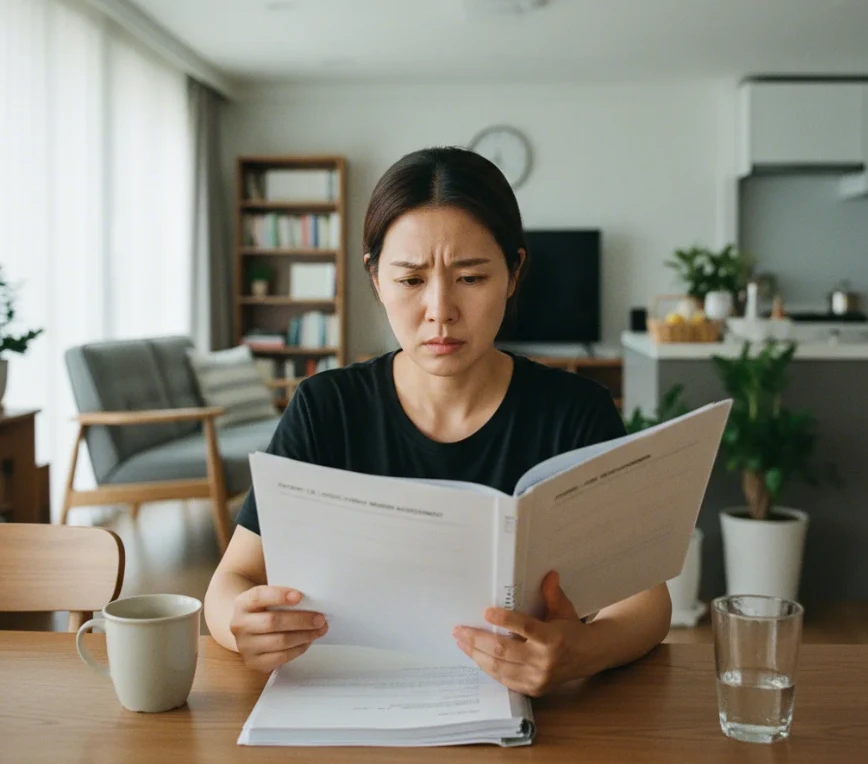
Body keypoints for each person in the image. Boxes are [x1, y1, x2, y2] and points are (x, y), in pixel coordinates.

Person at [204, 146, 671, 697]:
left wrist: (580, 653)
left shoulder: (575, 412)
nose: (440, 310)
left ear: (514, 272)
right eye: (409, 281)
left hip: (532, 719)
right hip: (348, 704)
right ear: (375, 278)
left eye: (471, 278)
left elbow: (647, 601)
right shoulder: (325, 409)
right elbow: (230, 581)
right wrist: (243, 628)